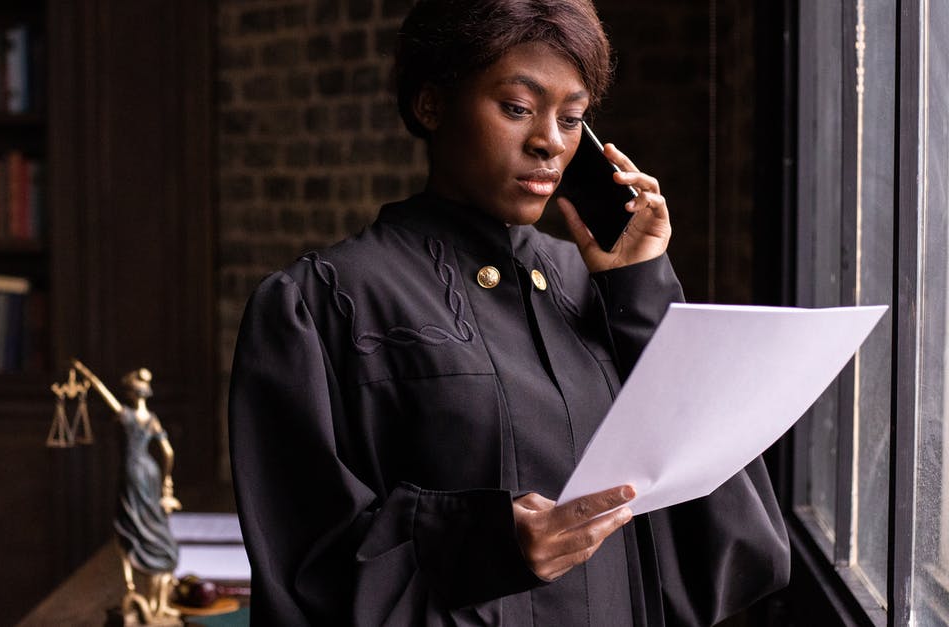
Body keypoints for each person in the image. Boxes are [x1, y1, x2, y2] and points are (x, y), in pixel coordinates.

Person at [228, 0, 790, 625]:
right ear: (431, 105)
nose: (550, 140)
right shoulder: (317, 304)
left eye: (573, 118)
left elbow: (737, 545)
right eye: (518, 108)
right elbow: (304, 571)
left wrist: (644, 292)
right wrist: (488, 543)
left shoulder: (604, 290)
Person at [72, 360, 182, 619]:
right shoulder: (152, 419)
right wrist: (166, 479)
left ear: (132, 393)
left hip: (132, 473)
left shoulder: (126, 416)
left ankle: (132, 585)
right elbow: (168, 452)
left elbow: (105, 395)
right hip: (151, 471)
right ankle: (148, 587)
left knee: (127, 523)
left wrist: (88, 376)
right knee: (152, 521)